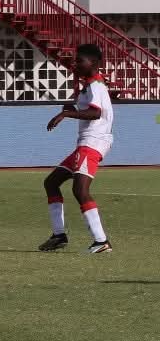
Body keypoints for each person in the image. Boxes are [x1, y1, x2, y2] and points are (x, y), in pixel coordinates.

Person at [40, 44, 114, 254]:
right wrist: (69, 108)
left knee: (80, 190)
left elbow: (94, 114)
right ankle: (58, 235)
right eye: (76, 60)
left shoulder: (96, 87)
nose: (76, 63)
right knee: (51, 182)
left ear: (94, 63)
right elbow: (86, 109)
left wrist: (65, 115)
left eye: (80, 60)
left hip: (93, 142)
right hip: (86, 143)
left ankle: (101, 241)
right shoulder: (88, 87)